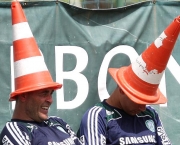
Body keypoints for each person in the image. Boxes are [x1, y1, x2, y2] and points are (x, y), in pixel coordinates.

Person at [77, 15, 180, 145]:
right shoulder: (98, 116)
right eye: (139, 100)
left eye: (147, 101)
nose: (143, 107)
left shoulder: (150, 114)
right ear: (122, 89)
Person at [0, 1, 82, 145]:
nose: (50, 100)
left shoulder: (59, 123)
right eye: (44, 93)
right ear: (24, 95)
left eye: (51, 93)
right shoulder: (15, 130)